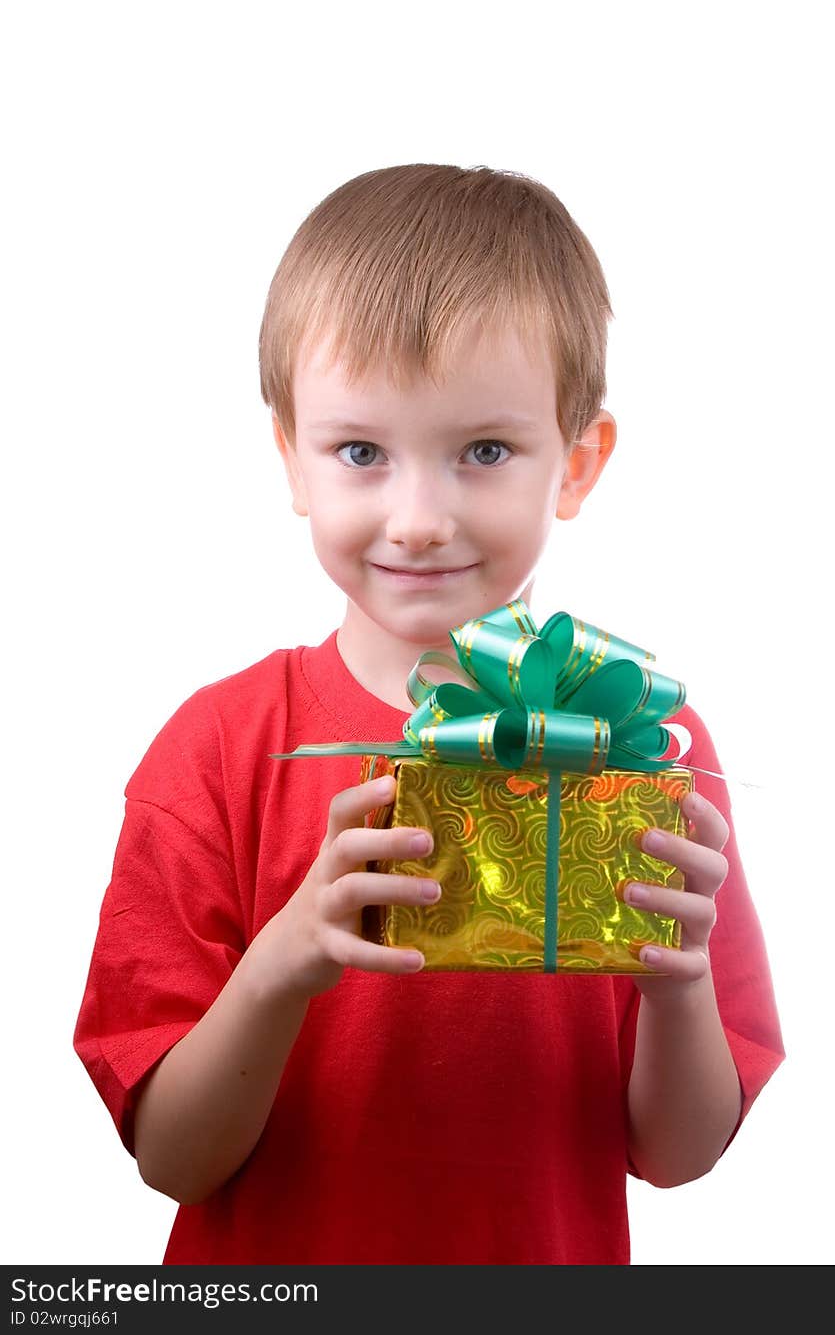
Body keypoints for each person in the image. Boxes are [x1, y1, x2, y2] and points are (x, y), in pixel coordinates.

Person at [74, 163, 784, 1265]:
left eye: (483, 451)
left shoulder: (639, 741)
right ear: (291, 461)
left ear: (578, 461)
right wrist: (281, 965)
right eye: (361, 452)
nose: (416, 519)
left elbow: (678, 1155)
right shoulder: (217, 750)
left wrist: (675, 987)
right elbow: (171, 1158)